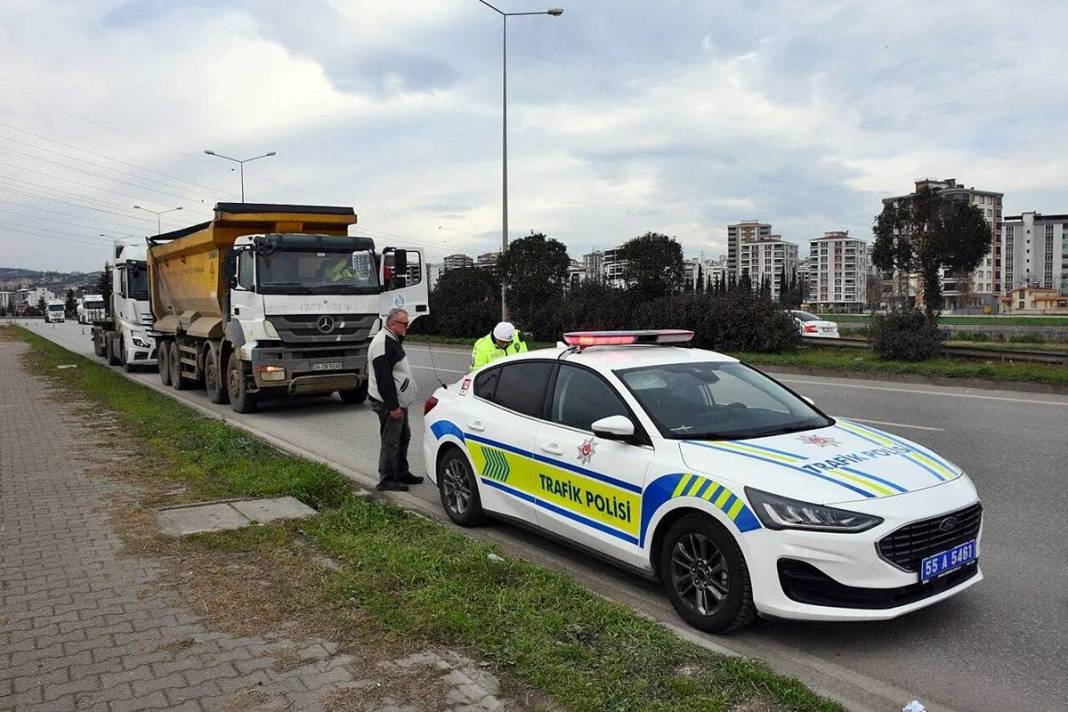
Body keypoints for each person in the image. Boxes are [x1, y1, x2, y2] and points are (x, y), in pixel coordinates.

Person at [367, 308, 423, 491]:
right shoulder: (381, 344)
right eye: (405, 324)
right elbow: (384, 379)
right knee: (391, 440)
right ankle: (387, 478)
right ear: (392, 324)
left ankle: (401, 472)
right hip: (388, 402)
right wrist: (393, 406)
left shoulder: (392, 338)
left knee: (404, 436)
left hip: (398, 400)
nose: (407, 327)